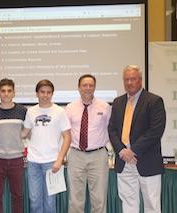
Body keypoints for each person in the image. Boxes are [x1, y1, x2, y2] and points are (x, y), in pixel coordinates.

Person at [108, 65, 166, 213]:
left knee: (152, 205)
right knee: (128, 204)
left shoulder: (154, 101)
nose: (129, 82)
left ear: (140, 79)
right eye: (126, 79)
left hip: (147, 161)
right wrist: (122, 151)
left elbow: (155, 131)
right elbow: (112, 129)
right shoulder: (118, 102)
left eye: (133, 79)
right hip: (124, 162)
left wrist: (132, 151)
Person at [22, 79, 71, 213]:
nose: (45, 95)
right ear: (37, 93)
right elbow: (24, 133)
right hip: (33, 162)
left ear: (52, 94)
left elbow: (67, 137)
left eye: (48, 92)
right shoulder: (31, 111)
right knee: (34, 201)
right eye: (42, 92)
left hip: (52, 163)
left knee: (50, 203)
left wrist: (60, 159)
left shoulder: (59, 111)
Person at [65, 74, 111, 213]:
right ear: (79, 88)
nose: (88, 88)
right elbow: (66, 133)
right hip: (76, 155)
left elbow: (111, 130)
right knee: (75, 199)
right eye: (84, 85)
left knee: (99, 199)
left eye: (91, 85)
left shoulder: (105, 107)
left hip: (98, 155)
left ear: (95, 87)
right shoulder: (70, 108)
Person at [0, 78, 27, 213]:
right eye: (3, 91)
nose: (6, 94)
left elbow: (28, 133)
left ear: (14, 93)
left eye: (9, 91)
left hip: (17, 159)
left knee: (18, 196)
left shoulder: (23, 111)